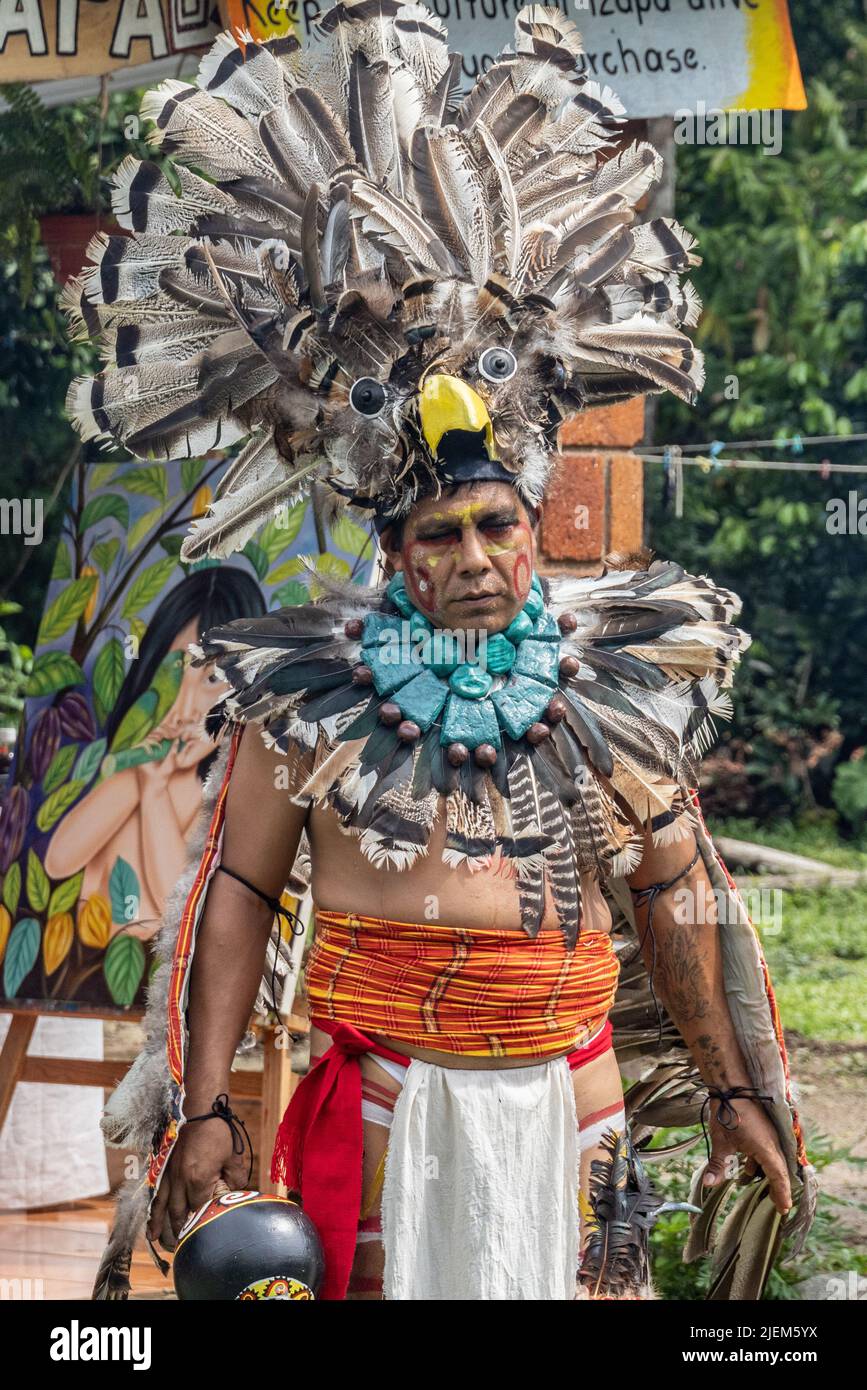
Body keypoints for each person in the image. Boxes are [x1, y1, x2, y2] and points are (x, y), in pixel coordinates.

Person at [66, 5, 816, 1300]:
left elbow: (678, 894)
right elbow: (234, 894)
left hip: (570, 1113)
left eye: (494, 524)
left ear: (530, 530)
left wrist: (737, 1085)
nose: (472, 553)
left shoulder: (612, 692)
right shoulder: (307, 704)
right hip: (383, 1110)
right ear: (396, 549)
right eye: (439, 531)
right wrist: (200, 1105)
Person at [45, 568, 265, 937]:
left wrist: (155, 791)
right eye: (173, 672)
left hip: (150, 975)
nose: (181, 709)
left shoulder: (213, 801)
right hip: (76, 963)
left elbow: (173, 901)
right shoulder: (133, 773)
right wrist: (139, 779)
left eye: (212, 679)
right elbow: (58, 860)